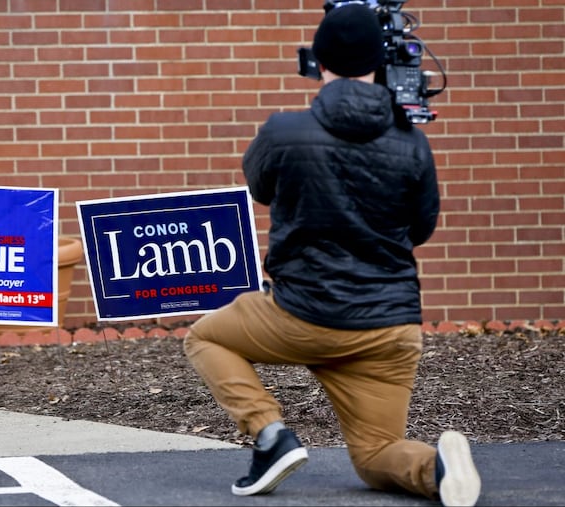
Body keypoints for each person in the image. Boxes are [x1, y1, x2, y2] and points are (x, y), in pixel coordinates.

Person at [183, 3, 481, 506]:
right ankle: (436, 468)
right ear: (380, 63)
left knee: (205, 338)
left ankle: (271, 436)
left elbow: (259, 187)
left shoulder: (283, 130)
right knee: (377, 453)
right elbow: (421, 229)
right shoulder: (412, 144)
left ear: (318, 61)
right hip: (388, 329)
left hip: (303, 313)